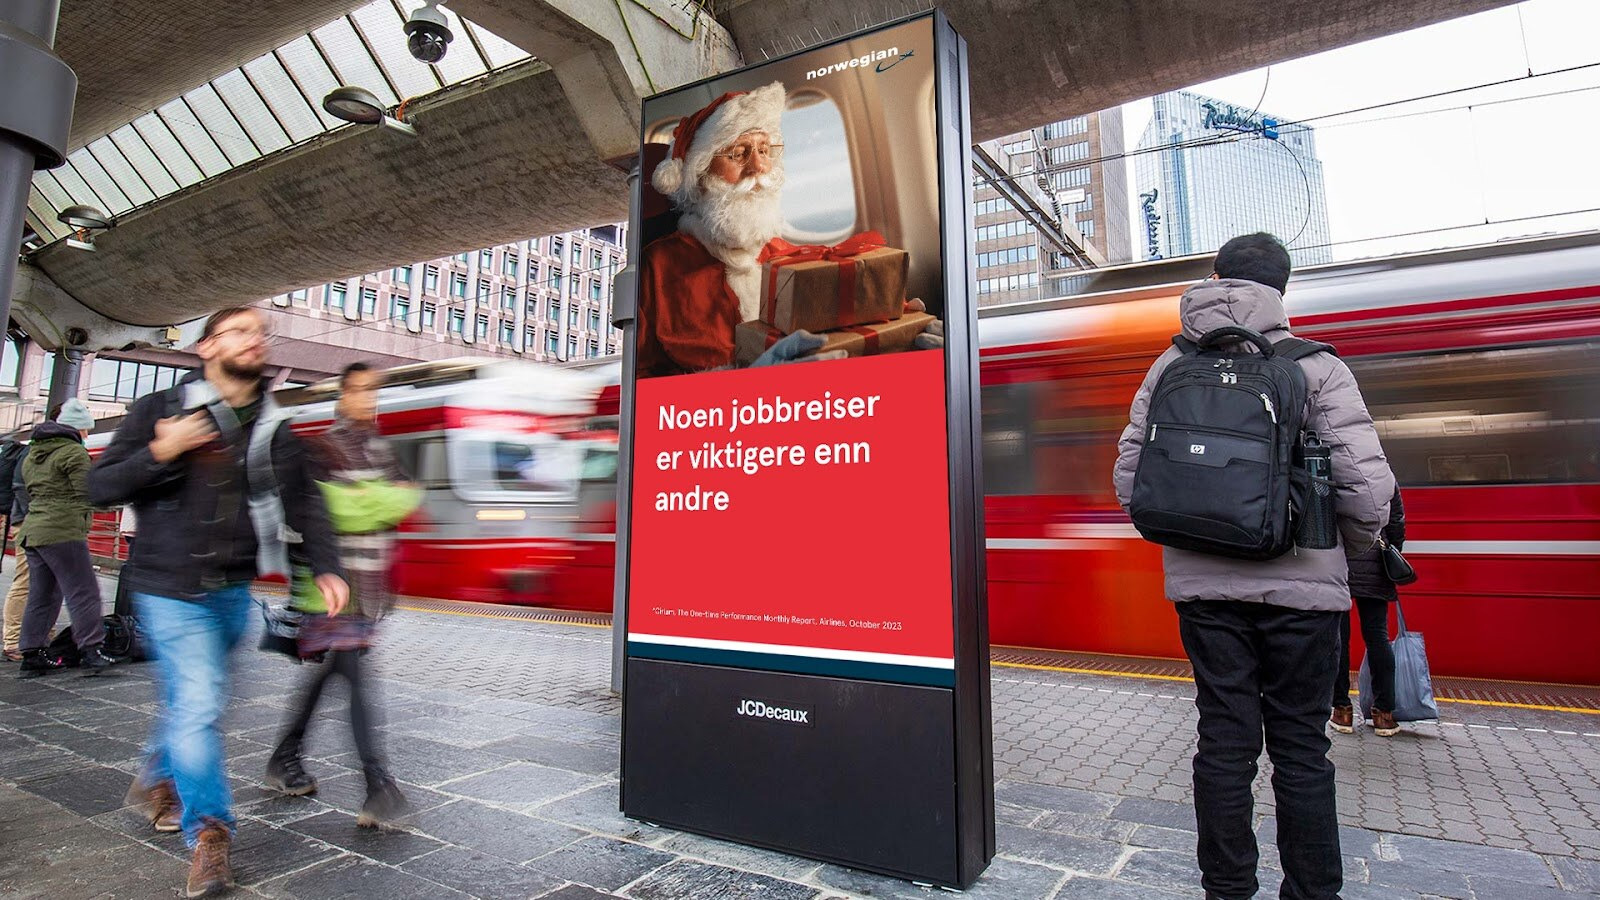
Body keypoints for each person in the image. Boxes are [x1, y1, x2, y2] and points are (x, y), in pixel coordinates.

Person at [1113, 233, 1395, 900]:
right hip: (1304, 598)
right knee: (1301, 748)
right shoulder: (1316, 366)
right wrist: (1342, 553)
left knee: (1223, 742)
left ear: (1215, 279)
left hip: (1204, 595)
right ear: (1282, 290)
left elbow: (1130, 480)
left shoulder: (1170, 364)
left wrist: (1194, 536)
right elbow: (1365, 490)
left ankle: (1228, 890)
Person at [88, 307, 347, 899]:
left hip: (232, 591)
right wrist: (163, 451)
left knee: (193, 702)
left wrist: (326, 566)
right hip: (168, 586)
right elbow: (99, 487)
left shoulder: (273, 428)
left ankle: (157, 776)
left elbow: (306, 504)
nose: (255, 340)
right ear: (206, 346)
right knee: (200, 701)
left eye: (260, 333)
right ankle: (209, 832)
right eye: (239, 331)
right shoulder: (160, 410)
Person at [266, 362, 416, 829]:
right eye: (360, 390)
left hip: (370, 586)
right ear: (343, 395)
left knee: (334, 671)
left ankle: (284, 757)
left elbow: (405, 499)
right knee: (354, 676)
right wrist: (379, 499)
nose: (368, 399)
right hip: (333, 586)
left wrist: (371, 500)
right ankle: (378, 786)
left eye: (374, 391)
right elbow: (332, 512)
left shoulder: (381, 448)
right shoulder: (323, 449)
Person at [17, 399, 114, 676]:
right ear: (77, 427)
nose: (87, 434)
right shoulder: (73, 453)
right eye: (86, 429)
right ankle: (91, 650)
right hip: (62, 530)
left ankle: (31, 654)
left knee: (43, 594)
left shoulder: (34, 454)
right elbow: (88, 493)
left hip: (34, 530)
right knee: (84, 591)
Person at [1331, 484, 1406, 737]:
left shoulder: (1338, 471)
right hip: (1376, 562)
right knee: (1378, 638)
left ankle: (1342, 710)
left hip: (1340, 564)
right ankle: (1384, 714)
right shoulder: (1384, 476)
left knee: (1338, 639)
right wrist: (1392, 549)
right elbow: (1396, 522)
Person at [3, 433, 33, 661]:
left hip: (26, 521)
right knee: (25, 580)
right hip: (28, 522)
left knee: (37, 581)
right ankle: (12, 641)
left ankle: (38, 636)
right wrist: (35, 515)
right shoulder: (34, 452)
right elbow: (21, 486)